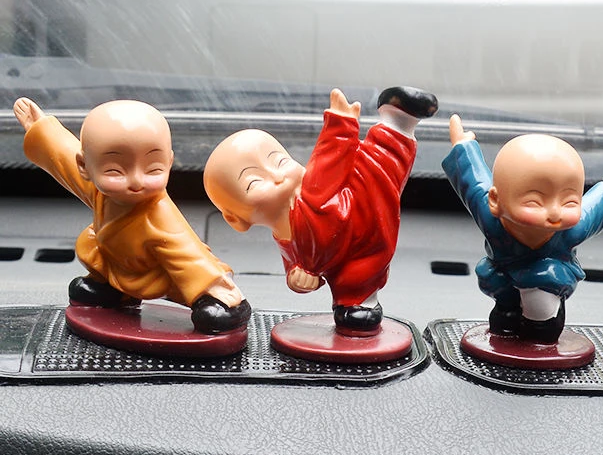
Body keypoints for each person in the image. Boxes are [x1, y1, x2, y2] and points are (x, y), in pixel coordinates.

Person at [203, 86, 438, 335]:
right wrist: (297, 277)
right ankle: (359, 305)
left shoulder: (314, 190)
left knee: (380, 163)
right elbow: (297, 263)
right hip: (359, 256)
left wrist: (340, 122)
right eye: (254, 182)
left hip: (360, 204)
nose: (278, 176)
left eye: (280, 161)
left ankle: (398, 119)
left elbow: (329, 157)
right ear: (236, 220)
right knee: (355, 281)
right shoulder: (283, 237)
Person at [13, 97, 251, 334]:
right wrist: (41, 129)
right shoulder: (101, 192)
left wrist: (219, 292)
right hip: (120, 264)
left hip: (162, 273)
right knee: (91, 242)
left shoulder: (159, 215)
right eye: (115, 171)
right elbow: (65, 159)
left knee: (206, 305)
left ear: (169, 162)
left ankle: (226, 304)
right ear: (85, 166)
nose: (136, 181)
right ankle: (114, 290)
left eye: (153, 169)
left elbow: (188, 255)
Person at [443, 114, 603, 343]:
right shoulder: (490, 216)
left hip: (549, 278)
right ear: (495, 201)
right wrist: (463, 147)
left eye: (569, 202)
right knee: (504, 317)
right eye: (534, 201)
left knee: (541, 308)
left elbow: (594, 208)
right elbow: (474, 182)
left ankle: (542, 330)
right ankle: (506, 319)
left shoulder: (572, 230)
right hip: (502, 275)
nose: (555, 213)